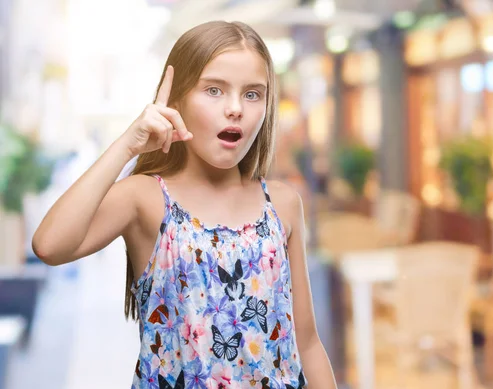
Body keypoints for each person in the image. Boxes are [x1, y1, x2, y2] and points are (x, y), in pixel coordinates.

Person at [32, 21, 336, 389]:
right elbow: (49, 246)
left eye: (253, 94)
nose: (235, 108)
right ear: (175, 101)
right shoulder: (145, 198)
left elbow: (306, 342)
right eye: (214, 90)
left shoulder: (283, 204)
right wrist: (128, 144)